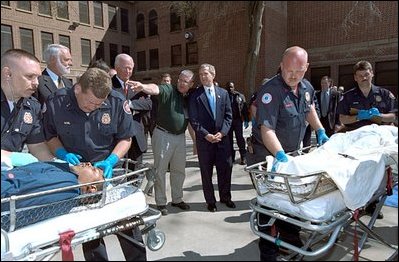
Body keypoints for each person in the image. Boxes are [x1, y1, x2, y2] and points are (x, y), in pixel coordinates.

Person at [43, 67, 147, 261]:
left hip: (110, 170)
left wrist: (111, 160)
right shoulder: (56, 102)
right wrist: (62, 153)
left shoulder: (117, 102)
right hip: (79, 176)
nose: (94, 107)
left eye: (99, 104)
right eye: (90, 102)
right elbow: (50, 136)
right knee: (90, 233)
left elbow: (126, 139)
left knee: (127, 224)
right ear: (77, 89)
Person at [247, 46, 329, 261]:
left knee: (292, 203)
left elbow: (309, 108)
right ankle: (268, 251)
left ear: (306, 68)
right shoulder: (270, 91)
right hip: (267, 157)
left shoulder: (306, 87)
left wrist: (320, 130)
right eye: (289, 70)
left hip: (292, 155)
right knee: (269, 206)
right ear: (281, 66)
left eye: (299, 71)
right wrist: (280, 156)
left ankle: (291, 241)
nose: (294, 76)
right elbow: (267, 129)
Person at [127, 70, 195, 216]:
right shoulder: (169, 90)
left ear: (191, 84)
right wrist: (143, 87)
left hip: (180, 137)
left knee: (179, 170)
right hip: (163, 135)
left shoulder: (189, 97)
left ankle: (177, 199)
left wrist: (195, 141)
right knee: (160, 170)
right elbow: (156, 88)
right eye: (180, 80)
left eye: (185, 81)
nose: (181, 83)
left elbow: (189, 121)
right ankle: (161, 202)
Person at [337, 60, 397, 219]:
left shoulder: (384, 94)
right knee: (354, 172)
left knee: (378, 174)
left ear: (372, 74)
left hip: (377, 141)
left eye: (366, 74)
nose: (364, 78)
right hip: (355, 140)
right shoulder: (348, 96)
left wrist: (380, 116)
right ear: (355, 78)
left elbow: (394, 116)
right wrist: (359, 116)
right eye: (360, 76)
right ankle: (352, 202)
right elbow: (343, 118)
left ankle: (372, 203)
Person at [188, 63, 235, 212]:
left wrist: (222, 133)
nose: (202, 77)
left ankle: (226, 197)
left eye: (205, 74)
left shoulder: (224, 93)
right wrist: (206, 135)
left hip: (222, 140)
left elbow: (229, 116)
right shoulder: (195, 95)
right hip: (205, 141)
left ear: (213, 75)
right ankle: (210, 201)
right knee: (206, 172)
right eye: (201, 74)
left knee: (226, 169)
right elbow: (194, 120)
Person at [1, 49, 54, 169]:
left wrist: (57, 164)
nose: (36, 83)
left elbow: (37, 146)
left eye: (37, 78)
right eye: (30, 77)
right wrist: (11, 157)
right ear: (7, 74)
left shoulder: (32, 107)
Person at [112, 53, 152, 170]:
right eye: (126, 68)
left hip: (136, 137)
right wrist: (128, 109)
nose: (129, 71)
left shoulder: (136, 86)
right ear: (117, 67)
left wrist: (130, 104)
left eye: (131, 68)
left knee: (136, 173)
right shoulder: (109, 86)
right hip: (117, 139)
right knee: (118, 174)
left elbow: (148, 104)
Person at [225, 81, 249, 165]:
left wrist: (246, 119)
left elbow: (244, 108)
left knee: (240, 139)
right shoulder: (224, 96)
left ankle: (243, 156)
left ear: (234, 87)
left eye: (231, 87)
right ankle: (231, 157)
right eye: (228, 87)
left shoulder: (239, 96)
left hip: (237, 120)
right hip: (228, 121)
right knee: (229, 140)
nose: (230, 89)